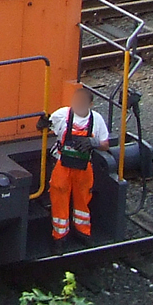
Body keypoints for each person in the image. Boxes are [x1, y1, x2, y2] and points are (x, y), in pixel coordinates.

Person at [40, 85, 110, 240]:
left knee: (83, 200)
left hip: (84, 166)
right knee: (59, 199)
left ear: (90, 105)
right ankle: (59, 236)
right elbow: (47, 124)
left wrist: (93, 143)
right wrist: (42, 124)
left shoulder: (96, 119)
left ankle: (83, 232)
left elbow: (105, 144)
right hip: (62, 164)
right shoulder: (62, 114)